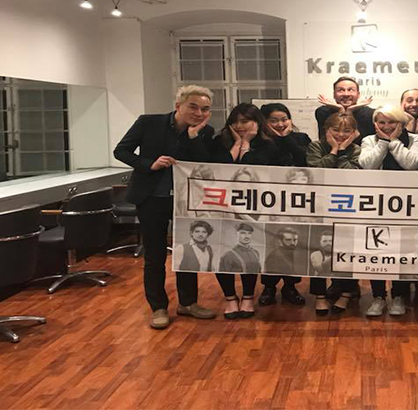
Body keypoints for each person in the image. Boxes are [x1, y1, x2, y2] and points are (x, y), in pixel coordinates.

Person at [114, 85, 216, 330]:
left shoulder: (206, 131)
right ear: (178, 105)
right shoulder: (148, 123)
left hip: (185, 201)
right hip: (151, 198)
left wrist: (193, 137)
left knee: (188, 254)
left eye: (205, 109)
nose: (199, 113)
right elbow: (121, 151)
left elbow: (204, 164)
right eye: (193, 107)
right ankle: (158, 307)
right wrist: (149, 163)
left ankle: (188, 303)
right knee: (155, 255)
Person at [207, 103, 288, 318]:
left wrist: (246, 145)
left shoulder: (268, 144)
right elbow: (219, 168)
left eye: (245, 121)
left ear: (257, 123)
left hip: (254, 207)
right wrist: (237, 145)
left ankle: (248, 297)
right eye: (236, 121)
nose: (240, 125)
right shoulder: (219, 142)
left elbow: (256, 168)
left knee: (249, 250)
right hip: (221, 207)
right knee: (222, 251)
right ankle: (230, 298)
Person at [358, 105, 418, 317]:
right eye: (382, 122)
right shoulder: (369, 140)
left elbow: (412, 163)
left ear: (401, 123)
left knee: (401, 249)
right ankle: (378, 296)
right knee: (375, 249)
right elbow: (367, 165)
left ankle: (399, 296)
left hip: (405, 204)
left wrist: (394, 141)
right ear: (375, 124)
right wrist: (383, 142)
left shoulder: (416, 139)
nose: (386, 126)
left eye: (391, 122)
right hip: (375, 203)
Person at [307, 112, 362, 315]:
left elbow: (351, 173)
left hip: (347, 205)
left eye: (347, 131)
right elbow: (317, 171)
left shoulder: (357, 149)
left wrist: (343, 150)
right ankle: (320, 296)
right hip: (320, 205)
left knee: (347, 250)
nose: (341, 134)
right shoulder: (315, 146)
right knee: (316, 249)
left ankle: (346, 294)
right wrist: (333, 150)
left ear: (354, 133)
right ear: (326, 130)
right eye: (336, 130)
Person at [217, 223, 263, 319]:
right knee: (223, 267)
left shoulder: (255, 252)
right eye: (242, 233)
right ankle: (231, 298)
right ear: (236, 234)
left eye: (249, 233)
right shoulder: (228, 255)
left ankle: (248, 297)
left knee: (251, 263)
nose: (246, 236)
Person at [315, 76, 374, 141]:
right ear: (334, 95)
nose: (346, 94)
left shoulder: (370, 114)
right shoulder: (323, 112)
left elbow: (358, 140)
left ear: (358, 94)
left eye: (350, 90)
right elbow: (328, 141)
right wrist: (341, 111)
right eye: (341, 90)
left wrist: (349, 111)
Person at [261, 103, 312, 167]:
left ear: (290, 120)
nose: (280, 125)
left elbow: (306, 161)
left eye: (284, 120)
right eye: (274, 121)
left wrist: (286, 137)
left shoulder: (302, 138)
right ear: (264, 122)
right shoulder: (260, 141)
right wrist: (279, 138)